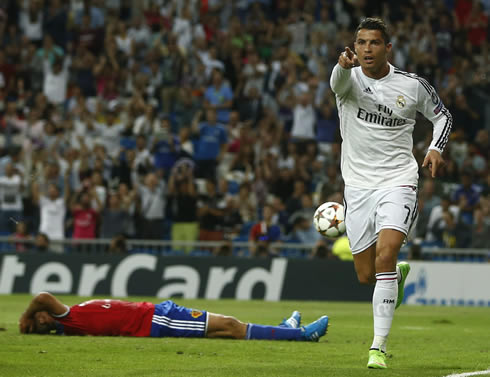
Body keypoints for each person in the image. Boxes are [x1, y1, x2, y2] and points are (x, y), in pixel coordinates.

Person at [330, 18, 452, 369]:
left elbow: (443, 116)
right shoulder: (347, 79)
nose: (366, 49)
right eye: (361, 42)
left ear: (388, 48)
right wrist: (341, 66)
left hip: (399, 180)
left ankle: (378, 347)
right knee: (366, 275)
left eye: (374, 43)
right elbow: (336, 82)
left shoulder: (412, 86)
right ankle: (395, 277)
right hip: (357, 186)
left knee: (385, 256)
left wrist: (435, 148)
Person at [19, 292, 328, 343]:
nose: (42, 318)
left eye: (39, 318)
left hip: (156, 314)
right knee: (231, 326)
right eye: (38, 324)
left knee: (224, 333)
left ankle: (282, 330)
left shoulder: (69, 322)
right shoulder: (68, 320)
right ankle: (300, 335)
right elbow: (42, 297)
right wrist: (26, 317)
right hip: (156, 319)